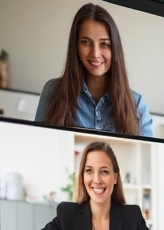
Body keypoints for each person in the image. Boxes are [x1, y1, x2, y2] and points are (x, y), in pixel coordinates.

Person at [17, 141, 164, 230]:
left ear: (115, 177)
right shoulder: (68, 216)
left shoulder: (132, 216)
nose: (96, 180)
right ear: (82, 176)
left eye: (104, 172)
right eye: (89, 171)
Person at [35, 3, 153, 137]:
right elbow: (38, 147)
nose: (95, 53)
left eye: (104, 44)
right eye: (86, 42)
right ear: (76, 46)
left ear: (115, 49)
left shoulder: (137, 105)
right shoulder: (52, 92)